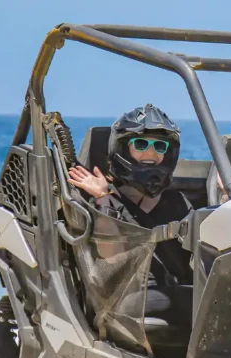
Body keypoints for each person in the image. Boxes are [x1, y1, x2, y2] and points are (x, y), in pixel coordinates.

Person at [66, 103, 192, 325]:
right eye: (141, 144)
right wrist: (103, 198)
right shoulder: (106, 201)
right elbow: (110, 255)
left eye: (159, 146)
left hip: (175, 292)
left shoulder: (177, 203)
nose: (151, 152)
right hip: (126, 300)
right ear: (123, 149)